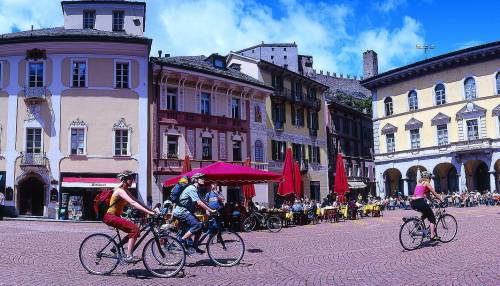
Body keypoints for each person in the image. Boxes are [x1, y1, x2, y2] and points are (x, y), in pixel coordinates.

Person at [103, 170, 157, 263]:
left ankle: (116, 248)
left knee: (135, 231)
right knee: (134, 229)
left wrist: (150, 210)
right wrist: (149, 212)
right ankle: (129, 256)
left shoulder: (125, 191)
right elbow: (132, 203)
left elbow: (137, 201)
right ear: (124, 180)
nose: (132, 181)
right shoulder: (120, 191)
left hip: (115, 217)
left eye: (133, 179)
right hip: (111, 217)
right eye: (130, 179)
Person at [173, 173, 215, 254]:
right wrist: (210, 210)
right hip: (181, 212)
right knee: (197, 225)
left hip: (186, 211)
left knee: (200, 228)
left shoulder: (196, 189)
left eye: (203, 178)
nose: (203, 179)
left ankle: (194, 246)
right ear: (196, 180)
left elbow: (202, 201)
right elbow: (198, 202)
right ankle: (180, 242)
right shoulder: (191, 188)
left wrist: (211, 209)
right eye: (201, 178)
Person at [410, 171, 443, 241]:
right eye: (430, 178)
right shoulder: (426, 183)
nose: (430, 179)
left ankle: (418, 223)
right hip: (420, 202)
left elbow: (428, 196)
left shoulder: (418, 184)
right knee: (432, 218)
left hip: (413, 202)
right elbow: (434, 193)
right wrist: (441, 199)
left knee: (425, 213)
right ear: (428, 177)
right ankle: (432, 236)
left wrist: (432, 201)